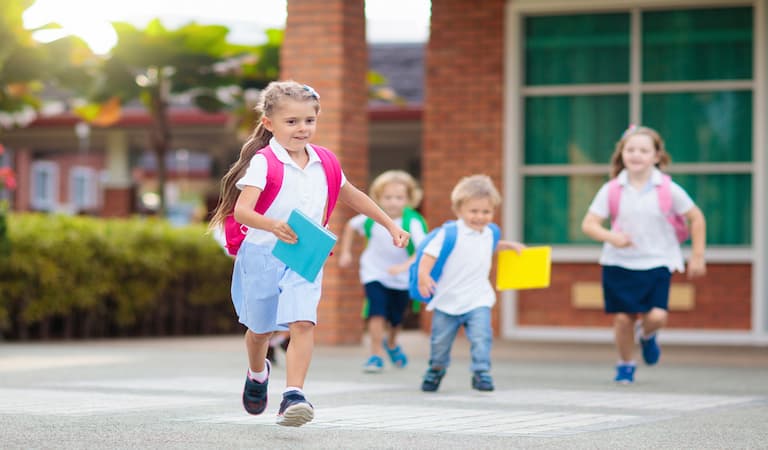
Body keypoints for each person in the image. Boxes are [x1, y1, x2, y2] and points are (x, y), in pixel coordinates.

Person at [208, 80, 410, 427]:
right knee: (260, 330)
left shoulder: (325, 161)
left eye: (309, 121)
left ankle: (294, 395)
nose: (302, 129)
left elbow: (353, 195)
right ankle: (258, 373)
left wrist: (390, 224)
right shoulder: (264, 161)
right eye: (292, 122)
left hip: (305, 254)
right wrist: (272, 225)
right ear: (269, 123)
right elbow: (243, 211)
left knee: (303, 322)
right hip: (261, 254)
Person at [581, 125, 707, 385]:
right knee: (623, 318)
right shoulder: (613, 189)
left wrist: (697, 256)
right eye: (631, 149)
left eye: (643, 150)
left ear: (656, 156)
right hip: (619, 263)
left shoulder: (668, 189)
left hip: (657, 260)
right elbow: (589, 224)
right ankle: (625, 364)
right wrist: (612, 237)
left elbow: (696, 218)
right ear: (622, 154)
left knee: (656, 316)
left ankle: (648, 336)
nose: (636, 155)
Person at [414, 174, 525, 393]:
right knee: (440, 342)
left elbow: (491, 245)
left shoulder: (490, 233)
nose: (480, 217)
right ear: (459, 210)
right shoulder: (449, 233)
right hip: (447, 300)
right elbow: (428, 255)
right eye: (473, 211)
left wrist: (509, 245)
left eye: (486, 212)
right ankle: (435, 370)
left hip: (478, 298)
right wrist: (423, 276)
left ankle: (481, 373)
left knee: (482, 336)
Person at [337, 170, 428, 373]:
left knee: (396, 318)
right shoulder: (372, 217)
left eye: (399, 198)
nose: (393, 202)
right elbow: (351, 227)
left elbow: (423, 250)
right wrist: (346, 253)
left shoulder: (413, 221)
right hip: (374, 272)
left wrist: (404, 267)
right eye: (388, 197)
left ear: (409, 199)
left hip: (402, 277)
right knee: (376, 311)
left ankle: (392, 343)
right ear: (378, 198)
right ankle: (375, 354)